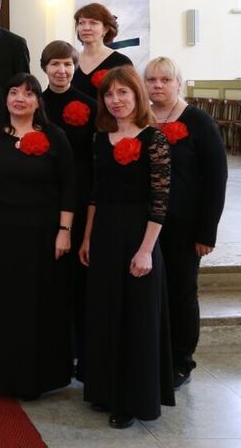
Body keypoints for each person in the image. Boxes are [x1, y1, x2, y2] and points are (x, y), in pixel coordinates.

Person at [80, 66, 174, 429]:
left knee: (136, 319)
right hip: (105, 234)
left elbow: (160, 201)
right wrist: (87, 238)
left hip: (138, 236)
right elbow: (95, 193)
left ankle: (132, 401)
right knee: (104, 312)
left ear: (137, 94)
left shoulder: (154, 139)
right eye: (109, 94)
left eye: (123, 92)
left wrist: (146, 249)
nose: (115, 100)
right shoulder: (100, 138)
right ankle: (104, 390)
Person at [0, 73, 76, 400]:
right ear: (5, 99)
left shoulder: (55, 136)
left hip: (44, 233)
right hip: (2, 232)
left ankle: (41, 377)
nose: (20, 98)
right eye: (14, 92)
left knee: (40, 304)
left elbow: (69, 187)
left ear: (38, 101)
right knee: (6, 304)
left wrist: (64, 231)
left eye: (28, 94)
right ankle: (6, 375)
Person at [145, 56, 227, 389]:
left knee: (181, 291)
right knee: (152, 291)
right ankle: (154, 354)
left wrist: (207, 232)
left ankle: (182, 359)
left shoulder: (199, 122)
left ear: (179, 83)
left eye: (165, 80)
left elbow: (216, 180)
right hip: (147, 224)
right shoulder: (141, 117)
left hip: (184, 225)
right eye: (151, 80)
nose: (157, 86)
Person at [39, 40, 97, 378]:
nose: (61, 71)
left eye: (67, 64)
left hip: (81, 193)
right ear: (44, 68)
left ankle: (81, 350)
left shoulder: (90, 105)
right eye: (55, 64)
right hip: (47, 197)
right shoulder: (36, 103)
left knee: (80, 276)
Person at [71, 2, 133, 98]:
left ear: (106, 29)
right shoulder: (70, 61)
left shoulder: (121, 62)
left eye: (93, 23)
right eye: (81, 23)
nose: (86, 28)